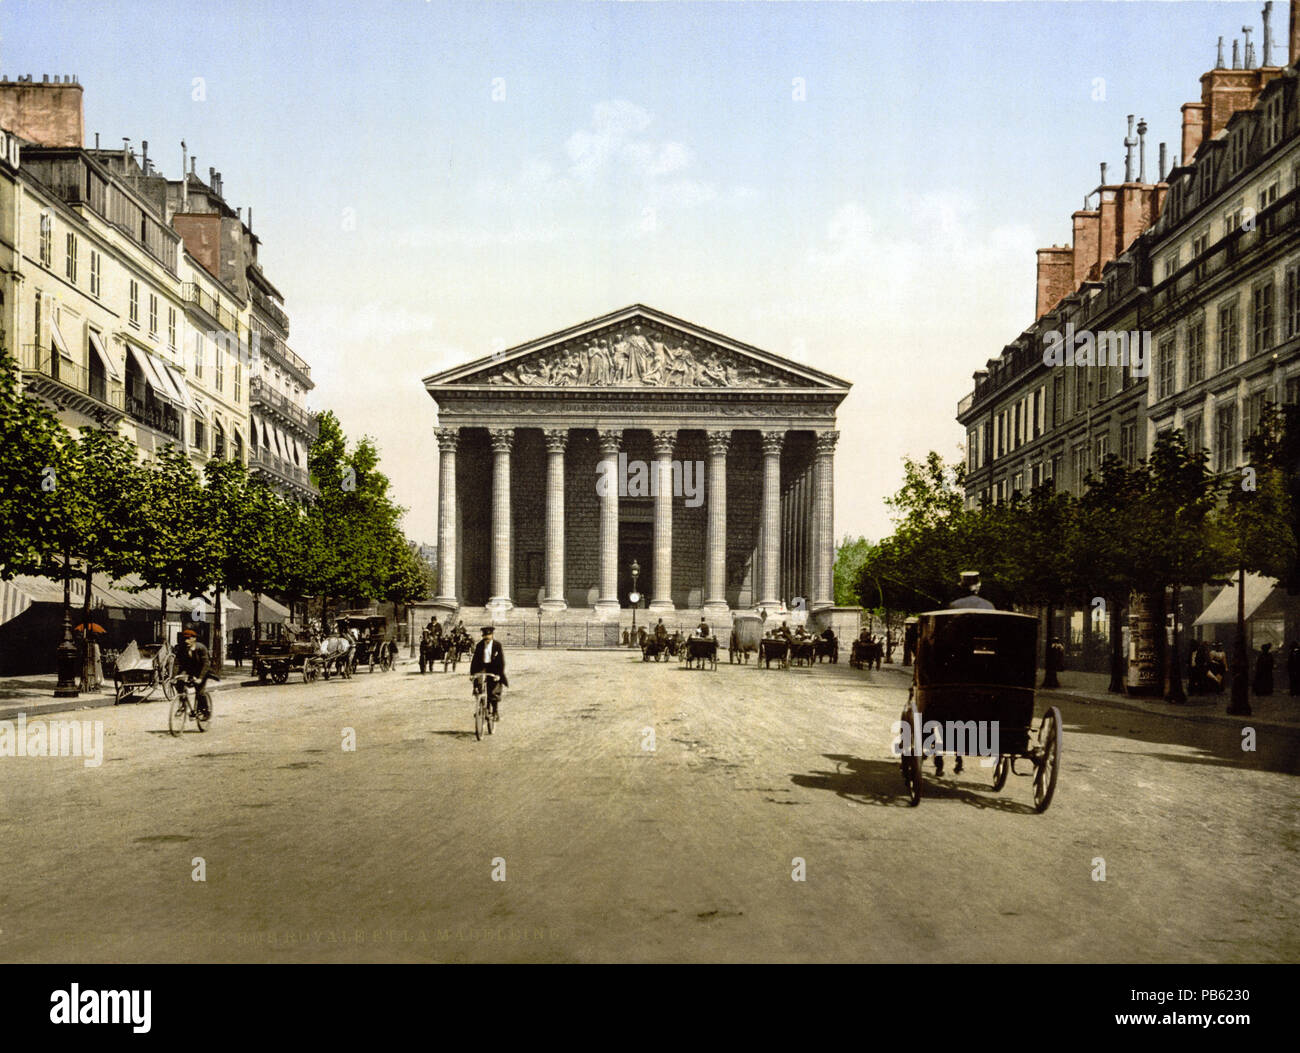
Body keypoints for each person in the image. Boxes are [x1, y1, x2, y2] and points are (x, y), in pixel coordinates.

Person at [173, 628, 214, 721]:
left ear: (194, 638)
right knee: (179, 683)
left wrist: (200, 678)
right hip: (189, 670)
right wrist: (174, 676)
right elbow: (177, 663)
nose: (186, 641)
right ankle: (182, 704)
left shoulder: (201, 648)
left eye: (188, 638)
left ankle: (204, 710)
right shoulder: (181, 649)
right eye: (184, 639)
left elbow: (206, 664)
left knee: (200, 691)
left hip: (202, 671)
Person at [469, 626, 508, 720]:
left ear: (492, 635)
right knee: (478, 685)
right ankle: (480, 706)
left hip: (494, 668)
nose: (486, 638)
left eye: (489, 635)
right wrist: (472, 674)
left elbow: (501, 661)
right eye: (485, 636)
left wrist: (498, 674)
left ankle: (495, 711)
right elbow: (475, 660)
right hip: (482, 667)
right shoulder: (479, 645)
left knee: (493, 690)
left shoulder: (497, 645)